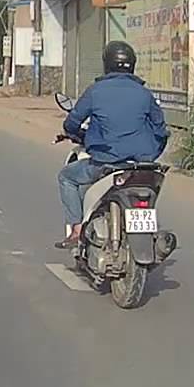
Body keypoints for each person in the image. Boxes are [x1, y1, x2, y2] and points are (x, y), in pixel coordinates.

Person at [55, 41, 169, 249]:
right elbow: (161, 130)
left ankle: (77, 231)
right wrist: (151, 153)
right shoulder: (144, 93)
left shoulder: (95, 91)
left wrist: (76, 134)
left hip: (106, 163)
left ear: (106, 64)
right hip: (143, 166)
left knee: (66, 177)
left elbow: (71, 123)